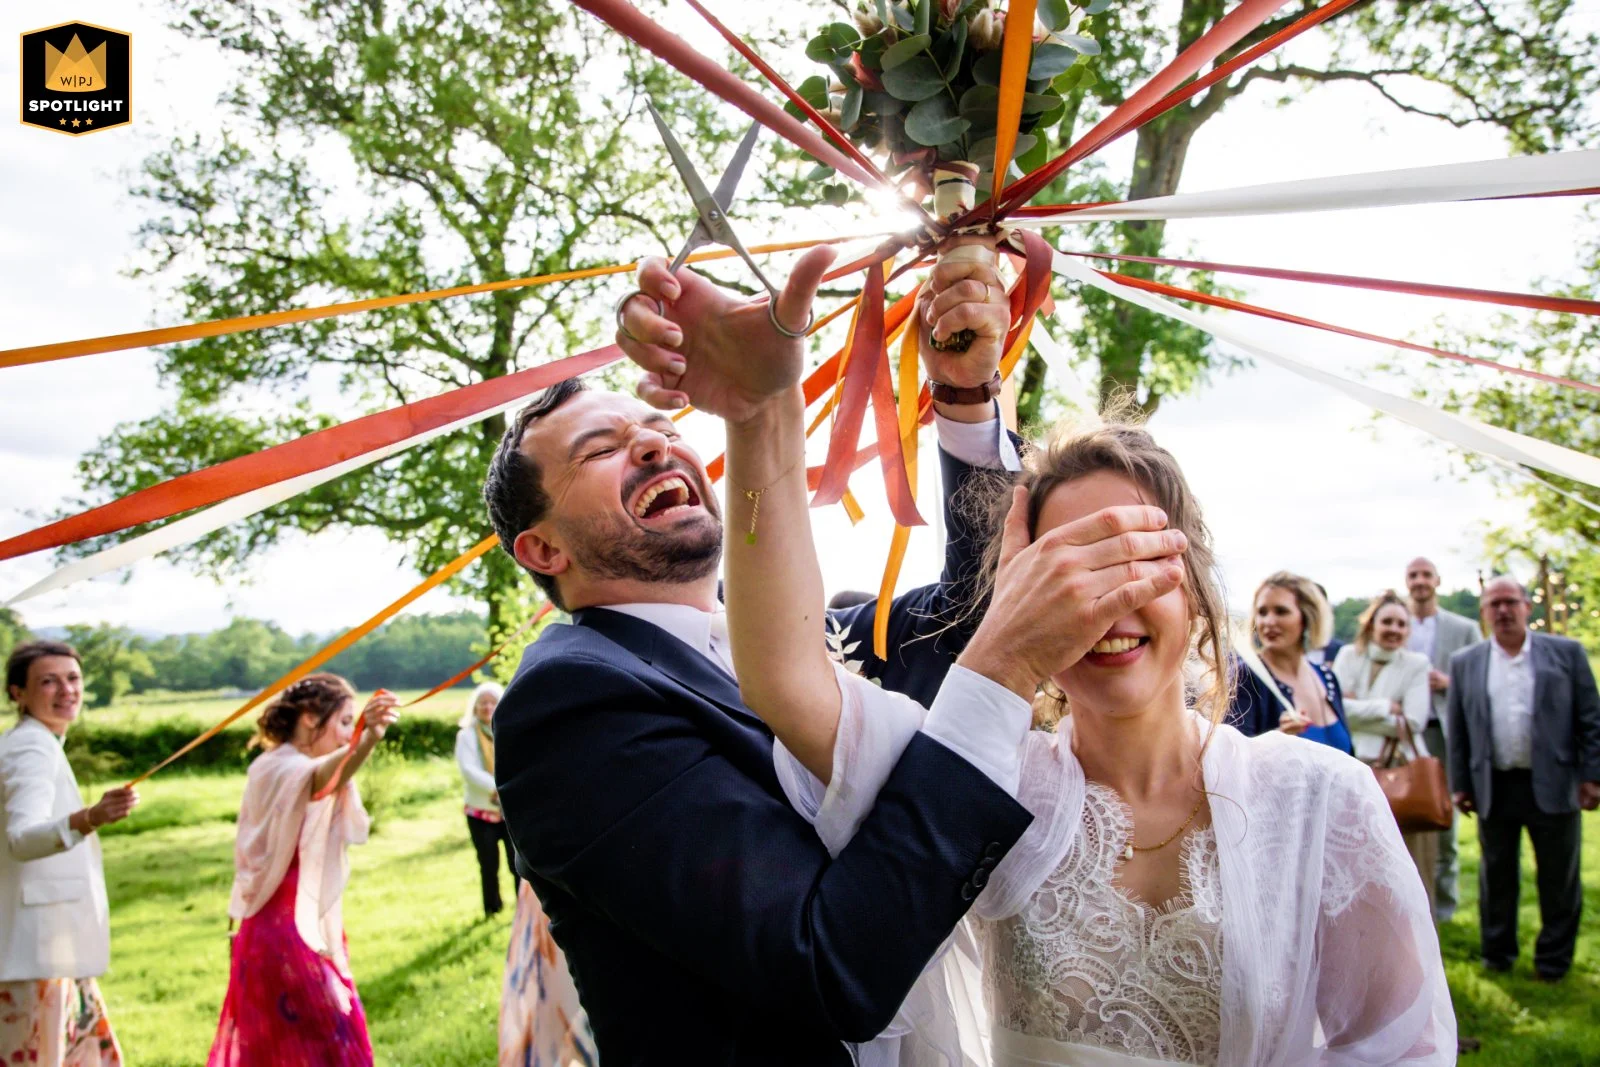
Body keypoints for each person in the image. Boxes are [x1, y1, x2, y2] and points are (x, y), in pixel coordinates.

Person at [620, 252, 1455, 1064]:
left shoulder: (1316, 799)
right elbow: (786, 678)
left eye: (1131, 557)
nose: (1103, 602)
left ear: (1196, 588)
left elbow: (1402, 1045)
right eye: (1065, 570)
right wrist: (762, 412)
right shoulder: (990, 784)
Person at [487, 242, 1050, 1065]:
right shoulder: (570, 704)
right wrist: (1000, 678)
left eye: (657, 425)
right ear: (541, 550)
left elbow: (973, 612)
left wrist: (964, 395)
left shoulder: (820, 636)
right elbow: (828, 963)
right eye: (600, 448)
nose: (651, 446)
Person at [208, 674, 400, 1066]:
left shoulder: (279, 765)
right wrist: (368, 739)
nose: (349, 734)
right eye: (345, 722)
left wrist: (359, 740)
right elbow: (321, 779)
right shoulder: (281, 767)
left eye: (352, 724)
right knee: (327, 1041)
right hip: (285, 934)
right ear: (311, 718)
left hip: (284, 927)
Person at [1448, 576, 1600, 982]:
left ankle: (1554, 962)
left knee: (1558, 877)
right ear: (1483, 612)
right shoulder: (1467, 662)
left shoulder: (1566, 653)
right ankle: (1497, 956)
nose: (1502, 610)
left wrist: (1592, 776)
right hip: (1494, 785)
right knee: (1495, 876)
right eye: (1493, 604)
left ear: (1526, 607)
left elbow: (1590, 719)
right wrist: (1460, 782)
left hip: (1554, 780)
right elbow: (1458, 728)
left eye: (1509, 602)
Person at [0, 641, 139, 1067]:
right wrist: (90, 817)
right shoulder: (30, 748)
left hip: (50, 952)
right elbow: (21, 839)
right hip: (34, 958)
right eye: (49, 681)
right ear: (17, 694)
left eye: (73, 678)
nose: (67, 690)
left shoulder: (38, 742)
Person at [1332, 591, 1437, 907]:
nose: (1394, 629)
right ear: (1371, 625)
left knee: (1412, 866)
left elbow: (1415, 720)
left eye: (1401, 624)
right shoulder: (1349, 656)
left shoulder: (1416, 664)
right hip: (1353, 767)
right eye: (1387, 621)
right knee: (1355, 868)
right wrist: (1385, 708)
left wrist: (1358, 707)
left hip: (1399, 771)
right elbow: (1336, 710)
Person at [1405, 555, 1480, 922]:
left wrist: (1448, 683)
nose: (1419, 581)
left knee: (1445, 817)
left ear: (1437, 580)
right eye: (1413, 575)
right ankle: (1416, 902)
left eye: (1425, 575)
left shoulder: (1462, 628)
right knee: (1414, 815)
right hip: (1408, 737)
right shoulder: (1396, 623)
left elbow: (1482, 676)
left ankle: (1446, 907)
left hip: (1448, 731)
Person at [1229, 573, 1354, 754]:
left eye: (1281, 611)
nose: (1268, 622)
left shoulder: (1327, 677)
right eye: (1262, 612)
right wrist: (1277, 738)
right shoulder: (1244, 677)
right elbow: (1230, 759)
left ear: (1307, 617)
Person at [456, 681, 517, 918]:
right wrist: (500, 787)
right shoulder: (466, 735)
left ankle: (523, 911)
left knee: (518, 865)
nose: (488, 707)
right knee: (489, 864)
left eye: (493, 702)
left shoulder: (507, 730)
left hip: (508, 812)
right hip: (481, 812)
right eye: (483, 703)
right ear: (475, 707)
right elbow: (468, 771)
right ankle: (492, 909)